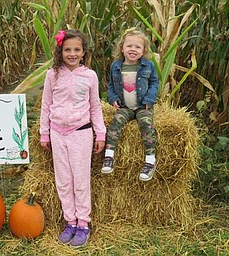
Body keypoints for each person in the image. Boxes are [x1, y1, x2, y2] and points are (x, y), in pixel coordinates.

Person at [40, 29, 106, 247]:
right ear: (61, 50)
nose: (72, 53)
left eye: (76, 49)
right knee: (64, 180)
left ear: (83, 52)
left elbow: (95, 107)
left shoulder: (90, 76)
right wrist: (45, 133)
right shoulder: (53, 74)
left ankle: (83, 224)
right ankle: (70, 221)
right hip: (58, 133)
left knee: (80, 180)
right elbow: (46, 105)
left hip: (81, 133)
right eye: (67, 49)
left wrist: (101, 133)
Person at [101, 27, 159, 182]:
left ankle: (150, 160)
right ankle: (109, 156)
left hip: (142, 106)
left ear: (144, 50)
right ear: (122, 48)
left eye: (138, 47)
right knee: (115, 123)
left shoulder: (148, 66)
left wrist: (149, 99)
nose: (133, 49)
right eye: (129, 46)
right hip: (125, 107)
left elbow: (154, 83)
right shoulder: (116, 66)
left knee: (146, 124)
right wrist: (112, 98)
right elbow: (112, 86)